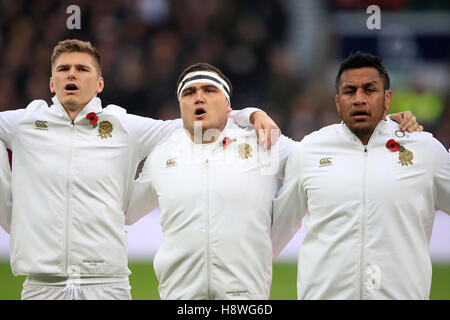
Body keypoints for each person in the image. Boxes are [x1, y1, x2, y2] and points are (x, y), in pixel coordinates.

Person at [0, 39, 279, 300]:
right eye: (63, 69)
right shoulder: (25, 124)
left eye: (82, 69)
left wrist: (250, 114)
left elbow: (195, 121)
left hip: (108, 284)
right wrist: (12, 216)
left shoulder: (124, 127)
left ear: (99, 84)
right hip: (41, 285)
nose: (71, 74)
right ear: (52, 82)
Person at [125, 62, 422, 300]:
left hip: (244, 297)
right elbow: (125, 211)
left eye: (209, 90)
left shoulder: (262, 143)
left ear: (229, 106)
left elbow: (329, 152)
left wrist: (378, 126)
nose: (198, 97)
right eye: (188, 93)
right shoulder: (162, 156)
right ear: (180, 106)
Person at [271, 52, 450, 300]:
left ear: (387, 98)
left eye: (369, 90)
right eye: (349, 91)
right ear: (337, 102)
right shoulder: (310, 150)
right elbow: (276, 230)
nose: (359, 99)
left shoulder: (425, 151)